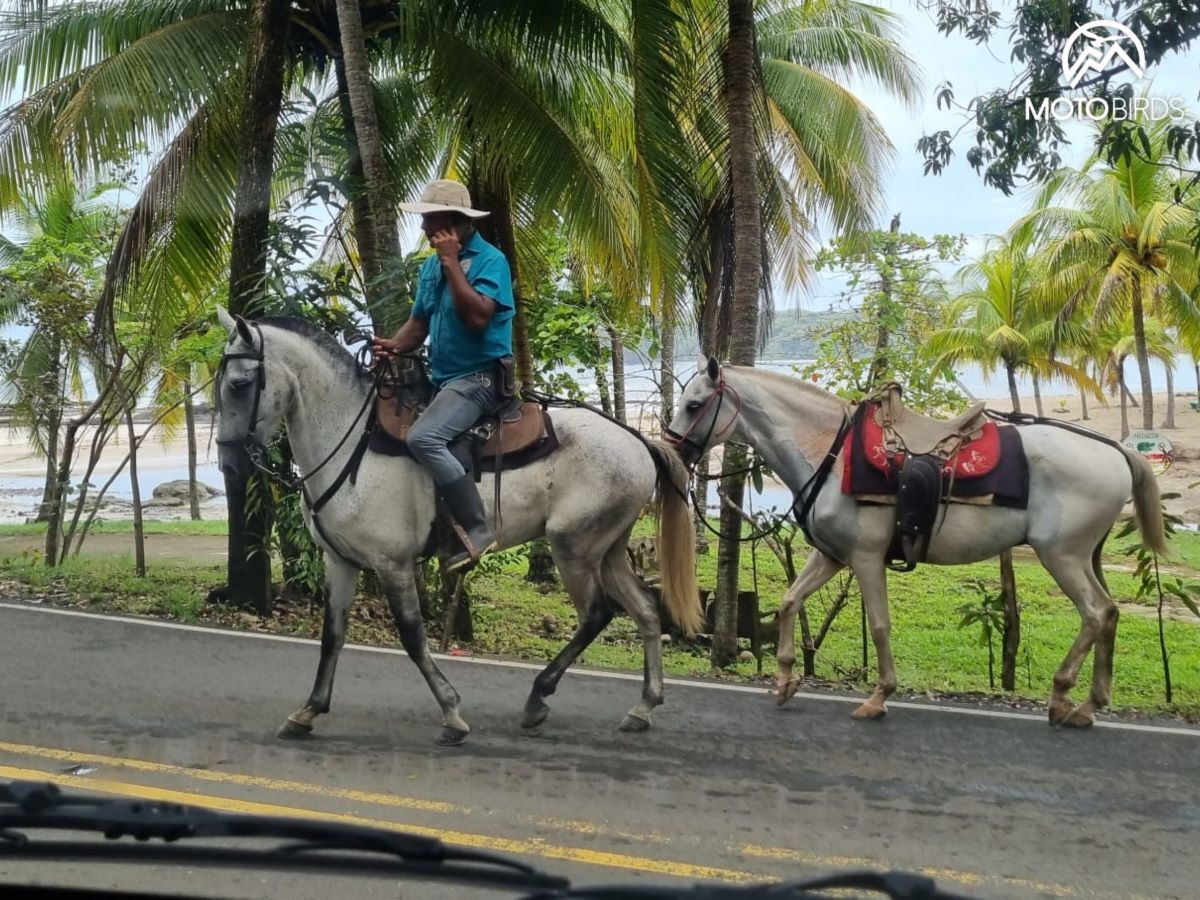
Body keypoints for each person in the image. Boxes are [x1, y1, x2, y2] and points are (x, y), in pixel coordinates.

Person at [371, 179, 515, 571]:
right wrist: (393, 345)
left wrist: (453, 263)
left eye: (429, 218)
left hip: (481, 379)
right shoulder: (431, 267)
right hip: (446, 381)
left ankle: (478, 528)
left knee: (424, 437)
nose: (422, 227)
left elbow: (479, 317)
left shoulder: (490, 261)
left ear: (453, 223)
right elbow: (418, 324)